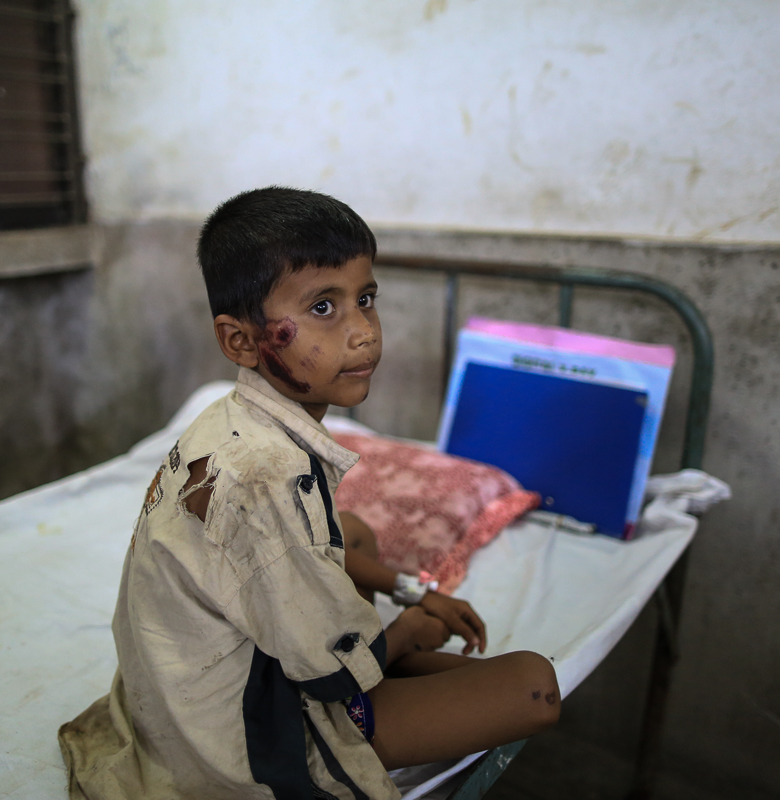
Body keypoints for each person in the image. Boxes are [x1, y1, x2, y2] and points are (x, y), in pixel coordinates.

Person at [59, 187, 560, 800]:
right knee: (533, 686)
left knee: (351, 532)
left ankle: (392, 653)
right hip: (249, 732)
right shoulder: (268, 475)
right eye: (324, 307)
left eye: (365, 300)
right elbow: (326, 671)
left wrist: (408, 590)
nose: (363, 333)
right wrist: (413, 628)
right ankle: (388, 669)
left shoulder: (232, 421)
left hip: (182, 680)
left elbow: (296, 553)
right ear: (240, 341)